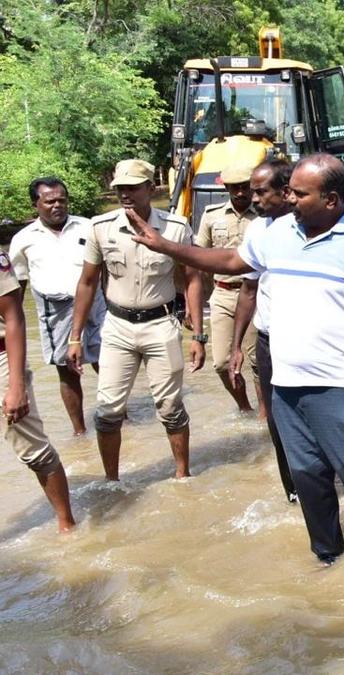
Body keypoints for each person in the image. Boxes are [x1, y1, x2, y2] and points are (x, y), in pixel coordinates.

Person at [129, 153, 344, 566]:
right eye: (290, 190)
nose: (289, 198)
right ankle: (329, 556)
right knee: (308, 477)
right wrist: (166, 246)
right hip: (288, 387)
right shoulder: (276, 234)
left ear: (331, 200)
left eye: (299, 192)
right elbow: (230, 262)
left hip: (343, 385)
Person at [68, 159, 205, 482]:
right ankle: (111, 481)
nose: (125, 194)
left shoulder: (175, 227)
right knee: (108, 412)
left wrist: (198, 335)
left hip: (161, 324)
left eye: (132, 187)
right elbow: (87, 283)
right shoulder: (100, 228)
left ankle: (183, 476)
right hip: (117, 327)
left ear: (150, 189)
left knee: (171, 408)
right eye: (120, 189)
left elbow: (193, 279)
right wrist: (75, 337)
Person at [10, 177, 106, 436]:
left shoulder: (88, 227)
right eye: (49, 201)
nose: (57, 205)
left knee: (107, 362)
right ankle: (80, 432)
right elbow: (16, 287)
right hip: (56, 309)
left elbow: (106, 269)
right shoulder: (23, 240)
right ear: (36, 205)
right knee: (67, 370)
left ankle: (119, 419)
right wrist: (10, 325)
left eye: (61, 200)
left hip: (95, 303)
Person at [230, 158, 296, 501]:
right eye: (252, 192)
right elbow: (248, 289)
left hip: (308, 340)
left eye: (261, 192)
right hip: (270, 341)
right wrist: (237, 345)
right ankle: (294, 492)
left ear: (286, 192)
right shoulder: (258, 230)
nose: (253, 200)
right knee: (277, 419)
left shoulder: (311, 225)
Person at [0, 248, 75, 532]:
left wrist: (16, 385)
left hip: (2, 360)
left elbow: (13, 317)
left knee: (34, 451)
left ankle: (67, 525)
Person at [196, 164, 258, 413]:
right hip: (221, 293)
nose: (241, 193)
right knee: (221, 363)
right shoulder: (212, 216)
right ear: (227, 188)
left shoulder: (264, 216)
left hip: (254, 293)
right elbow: (199, 260)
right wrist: (196, 307)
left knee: (257, 362)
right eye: (235, 188)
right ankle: (245, 408)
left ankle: (266, 416)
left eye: (245, 187)